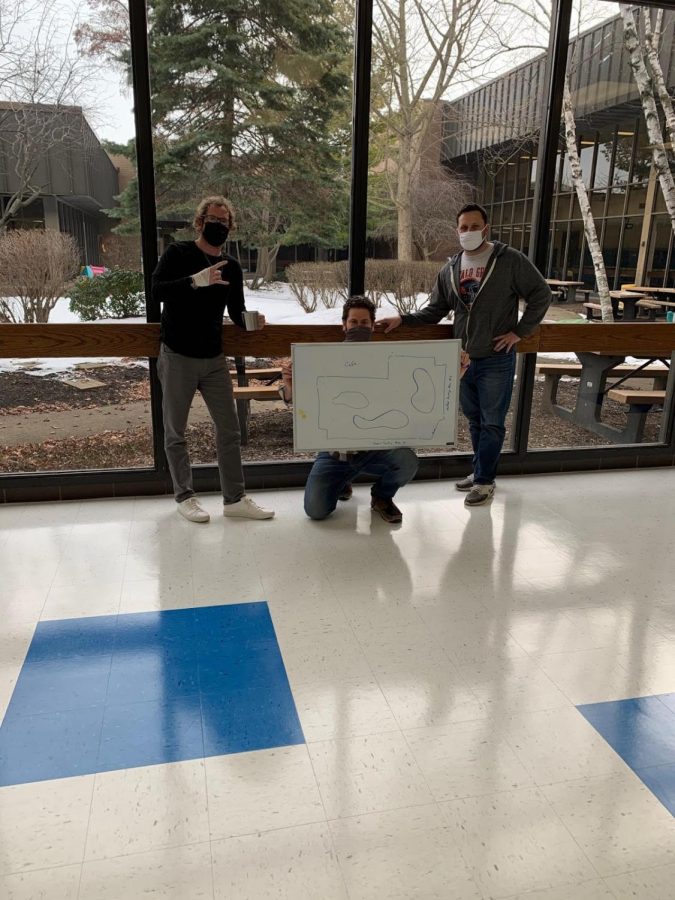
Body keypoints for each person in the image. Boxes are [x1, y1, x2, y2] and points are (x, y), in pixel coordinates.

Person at [378, 203, 551, 507]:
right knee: (474, 420)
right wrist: (402, 319)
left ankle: (485, 482)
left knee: (493, 421)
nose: (469, 232)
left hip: (497, 357)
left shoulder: (509, 260)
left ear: (486, 229)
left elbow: (541, 294)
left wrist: (519, 333)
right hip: (462, 359)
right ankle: (480, 471)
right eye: (463, 227)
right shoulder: (451, 268)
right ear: (457, 231)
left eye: (474, 226)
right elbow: (434, 311)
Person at [152, 195, 274, 523]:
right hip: (177, 355)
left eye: (223, 222)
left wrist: (252, 320)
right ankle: (185, 496)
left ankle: (234, 499)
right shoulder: (179, 253)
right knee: (175, 431)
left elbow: (235, 310)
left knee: (230, 429)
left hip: (214, 358)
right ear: (200, 220)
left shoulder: (231, 266)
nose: (217, 225)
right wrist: (196, 280)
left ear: (230, 227)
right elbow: (157, 291)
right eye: (212, 219)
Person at [294, 296, 419, 524]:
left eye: (364, 323)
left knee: (407, 461)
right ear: (344, 325)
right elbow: (300, 402)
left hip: (374, 449)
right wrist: (290, 387)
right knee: (316, 511)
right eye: (354, 322)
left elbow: (410, 396)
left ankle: (381, 497)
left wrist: (455, 375)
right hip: (336, 454)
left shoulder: (388, 361)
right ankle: (342, 481)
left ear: (372, 326)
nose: (358, 327)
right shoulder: (324, 359)